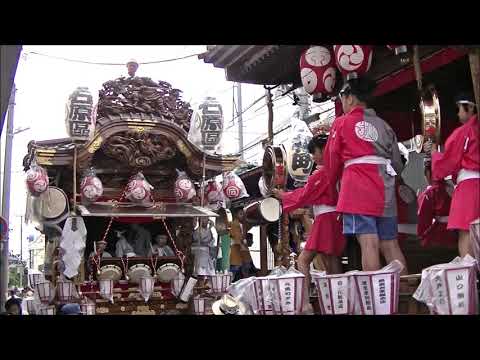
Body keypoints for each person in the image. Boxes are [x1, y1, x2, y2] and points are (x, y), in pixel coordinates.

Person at [322, 77, 407, 274]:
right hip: (384, 188)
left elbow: (331, 162)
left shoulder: (341, 123)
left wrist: (333, 189)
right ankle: (405, 294)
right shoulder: (385, 125)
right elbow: (397, 163)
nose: (342, 102)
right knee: (390, 244)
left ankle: (376, 300)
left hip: (356, 188)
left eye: (342, 97)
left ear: (350, 98)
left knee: (368, 242)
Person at [272, 133, 345, 299]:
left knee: (303, 260)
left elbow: (304, 194)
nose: (313, 157)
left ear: (323, 150)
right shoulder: (337, 170)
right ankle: (339, 299)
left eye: (315, 152)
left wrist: (284, 196)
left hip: (325, 219)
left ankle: (304, 303)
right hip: (335, 217)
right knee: (331, 260)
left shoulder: (322, 173)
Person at [425, 92, 479, 257]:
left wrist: (434, 153)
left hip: (470, 187)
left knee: (466, 232)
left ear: (469, 107)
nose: (457, 114)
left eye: (459, 109)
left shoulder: (465, 131)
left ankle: (470, 278)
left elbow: (447, 164)